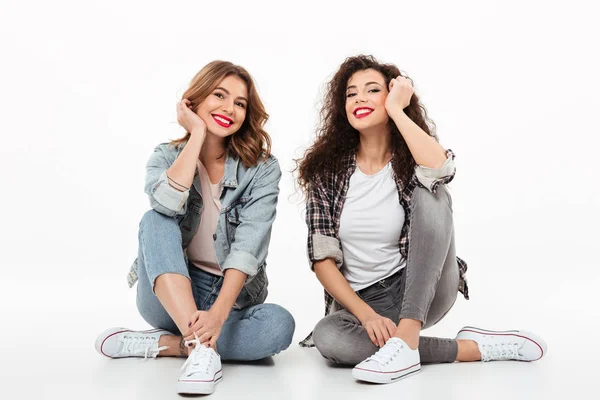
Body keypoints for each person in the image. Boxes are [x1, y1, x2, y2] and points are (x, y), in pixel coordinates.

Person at [295, 54, 546, 384]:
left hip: (423, 288)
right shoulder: (326, 173)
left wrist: (398, 111)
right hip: (365, 302)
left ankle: (408, 336)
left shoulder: (410, 159)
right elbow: (322, 259)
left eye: (372, 90)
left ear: (392, 96)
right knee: (329, 338)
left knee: (433, 190)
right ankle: (469, 348)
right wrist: (366, 315)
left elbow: (441, 169)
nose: (359, 99)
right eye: (351, 94)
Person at [95, 60, 295, 395]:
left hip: (230, 298)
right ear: (195, 100)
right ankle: (202, 350)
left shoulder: (262, 169)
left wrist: (217, 315)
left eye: (240, 103)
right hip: (170, 292)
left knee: (278, 327)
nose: (229, 109)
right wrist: (197, 135)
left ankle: (171, 345)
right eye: (219, 95)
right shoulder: (165, 155)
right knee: (154, 219)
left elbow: (249, 248)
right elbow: (164, 207)